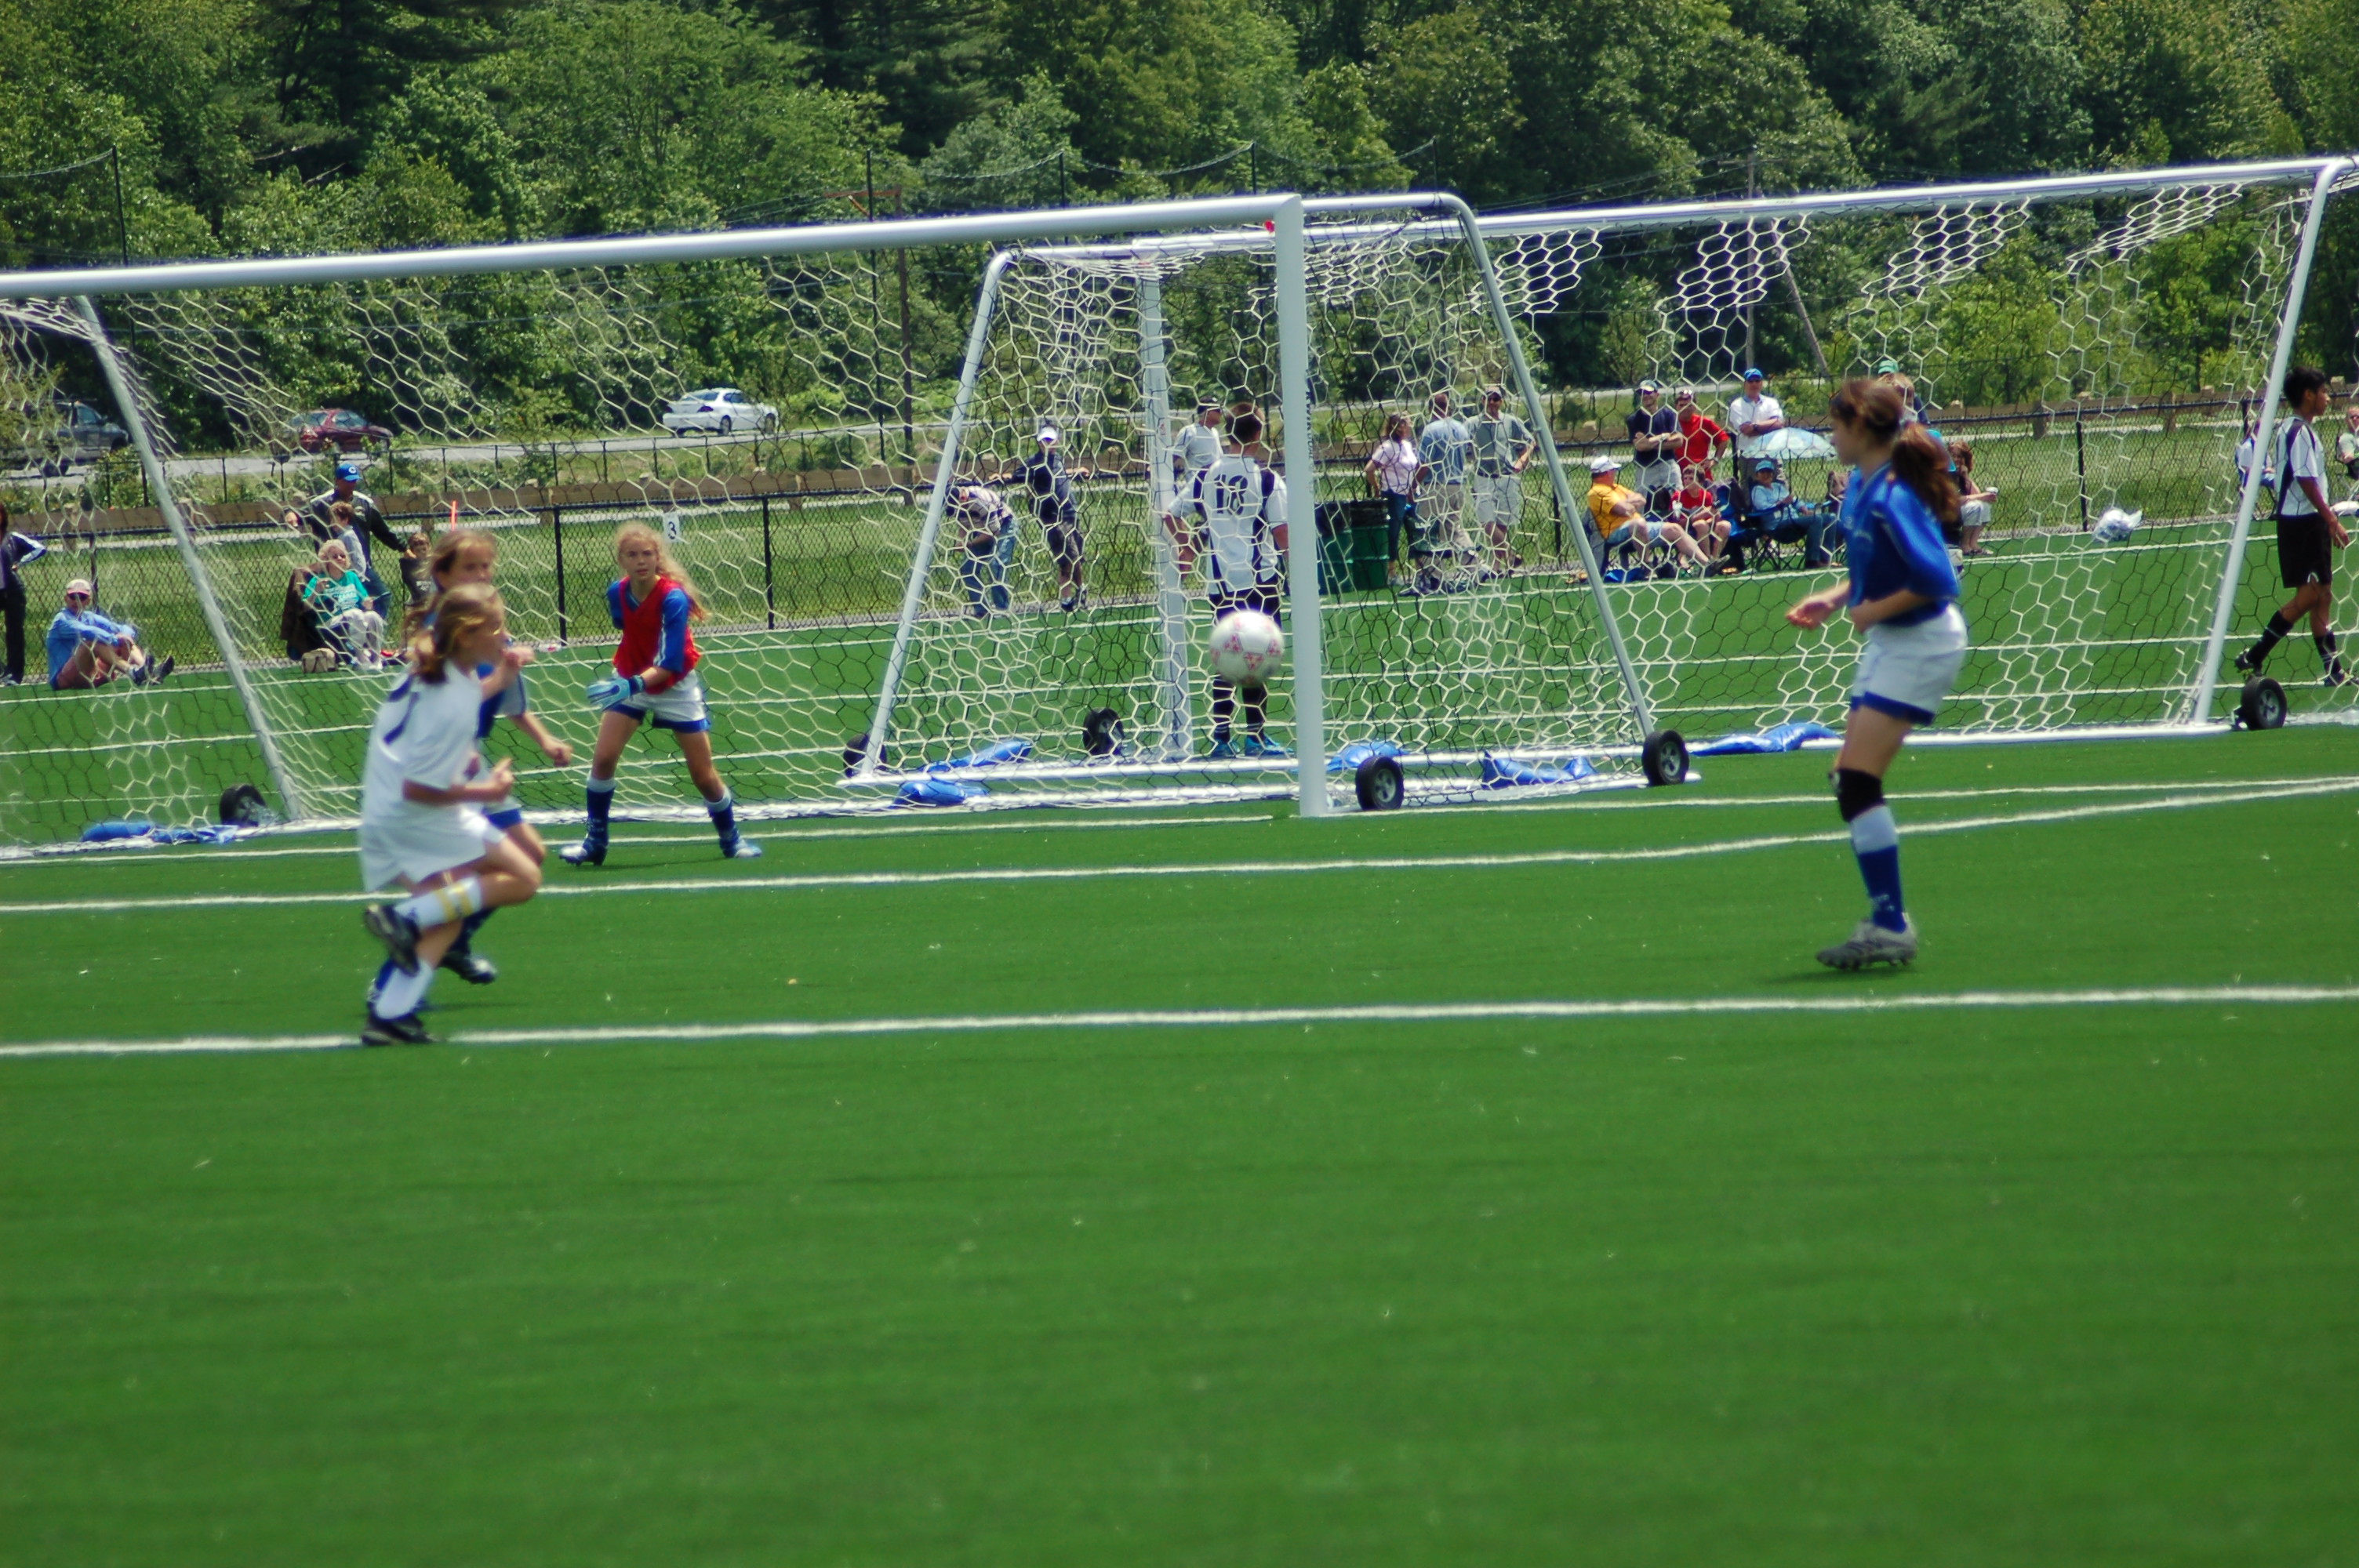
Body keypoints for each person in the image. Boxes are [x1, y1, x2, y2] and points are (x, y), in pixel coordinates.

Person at [1783, 377, 1968, 971]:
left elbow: (1939, 580)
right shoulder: (1863, 484)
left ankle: (1890, 926)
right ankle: (1887, 922)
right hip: (1894, 641)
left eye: (1834, 425)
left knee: (1858, 782)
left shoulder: (1891, 493)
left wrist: (1870, 611)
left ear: (1861, 427)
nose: (1830, 436)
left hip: (1922, 641)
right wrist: (1838, 597)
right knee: (1849, 780)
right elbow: (1875, 562)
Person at [356, 583, 545, 1045]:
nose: (504, 635)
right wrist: (487, 789)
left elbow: (460, 702)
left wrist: (502, 676)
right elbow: (418, 786)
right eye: (495, 628)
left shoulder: (438, 672)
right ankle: (405, 917)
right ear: (465, 635)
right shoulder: (450, 699)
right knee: (524, 876)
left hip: (386, 811)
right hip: (414, 815)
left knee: (450, 915)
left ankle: (390, 1016)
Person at [403, 527, 575, 985]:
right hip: (442, 764)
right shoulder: (437, 633)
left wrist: (546, 741)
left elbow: (511, 701)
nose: (481, 574)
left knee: (529, 855)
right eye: (470, 568)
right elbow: (448, 701)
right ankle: (414, 945)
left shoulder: (489, 622)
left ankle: (448, 941)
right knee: (482, 869)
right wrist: (503, 670)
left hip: (471, 759)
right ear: (443, 575)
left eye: (486, 566)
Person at [560, 521, 761, 867]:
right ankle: (595, 841)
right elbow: (624, 626)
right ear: (621, 560)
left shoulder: (673, 598)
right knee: (603, 759)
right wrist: (629, 680)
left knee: (703, 775)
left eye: (647, 554)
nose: (641, 561)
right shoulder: (617, 593)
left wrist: (630, 684)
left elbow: (669, 663)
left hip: (674, 685)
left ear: (658, 557)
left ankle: (732, 838)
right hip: (631, 678)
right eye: (632, 555)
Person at [2234, 366, 2350, 687]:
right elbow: (2305, 479)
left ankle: (2334, 671)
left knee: (2322, 593)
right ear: (2308, 395)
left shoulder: (2298, 429)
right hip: (2302, 522)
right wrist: (2330, 519)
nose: (2328, 398)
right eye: (2323, 392)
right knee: (2311, 595)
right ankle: (2255, 655)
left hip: (2305, 520)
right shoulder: (2298, 432)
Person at [1185, 407, 1289, 759]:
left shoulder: (1206, 475)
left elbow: (1173, 510)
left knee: (1227, 656)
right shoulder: (1267, 479)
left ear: (1229, 433)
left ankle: (1222, 737)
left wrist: (1185, 545)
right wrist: (1299, 575)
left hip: (1221, 585)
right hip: (1260, 582)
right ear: (1259, 435)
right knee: (1257, 656)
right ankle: (1255, 737)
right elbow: (1282, 533)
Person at [303, 464, 402, 620]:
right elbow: (302, 513)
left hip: (360, 570)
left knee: (382, 596)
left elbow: (382, 532)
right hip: (334, 568)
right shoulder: (322, 503)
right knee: (344, 604)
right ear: (338, 481)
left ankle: (373, 627)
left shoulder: (362, 507)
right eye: (348, 481)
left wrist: (403, 548)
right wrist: (291, 514)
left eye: (354, 481)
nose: (352, 485)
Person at [1011, 425, 1092, 612]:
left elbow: (1060, 476)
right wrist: (1001, 476)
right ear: (1039, 443)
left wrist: (1077, 471)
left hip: (1070, 513)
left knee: (1077, 558)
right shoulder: (1034, 462)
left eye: (1051, 440)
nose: (1048, 444)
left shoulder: (1058, 459)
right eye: (1045, 441)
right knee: (1067, 558)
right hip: (1054, 519)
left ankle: (1080, 590)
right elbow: (1017, 476)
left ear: (1057, 441)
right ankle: (1066, 599)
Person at [45, 579, 172, 690]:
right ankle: (132, 672)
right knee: (92, 642)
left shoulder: (89, 617)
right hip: (64, 679)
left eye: (82, 597)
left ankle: (146, 672)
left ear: (88, 601)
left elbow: (123, 628)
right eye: (73, 597)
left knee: (124, 640)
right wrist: (115, 640)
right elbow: (89, 632)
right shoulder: (61, 620)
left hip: (90, 676)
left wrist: (125, 637)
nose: (77, 601)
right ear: (66, 599)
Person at [1587, 455, 1707, 570]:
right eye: (1613, 471)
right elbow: (1624, 510)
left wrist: (1625, 503)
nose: (1615, 473)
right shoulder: (1597, 492)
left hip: (1639, 527)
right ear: (1607, 473)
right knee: (1638, 524)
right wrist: (1629, 504)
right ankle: (1647, 566)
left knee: (1674, 529)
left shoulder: (1616, 487)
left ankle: (1706, 564)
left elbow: (1642, 500)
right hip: (1616, 532)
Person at [1467, 386, 1536, 575]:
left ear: (1502, 401)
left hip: (1506, 477)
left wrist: (1521, 462)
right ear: (1482, 401)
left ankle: (1497, 567)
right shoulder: (1472, 423)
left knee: (1502, 523)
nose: (1492, 402)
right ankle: (1510, 554)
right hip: (1483, 478)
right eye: (1488, 398)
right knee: (1487, 522)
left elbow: (1530, 441)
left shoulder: (1511, 421)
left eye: (1496, 399)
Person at [301, 539, 386, 668]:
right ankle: (359, 657)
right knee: (355, 614)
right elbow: (306, 607)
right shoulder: (318, 580)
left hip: (355, 620)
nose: (340, 558)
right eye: (335, 556)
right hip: (331, 621)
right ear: (326, 560)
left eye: (342, 555)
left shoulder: (351, 576)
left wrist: (367, 603)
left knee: (373, 616)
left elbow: (364, 599)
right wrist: (316, 592)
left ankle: (376, 658)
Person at [1749, 457, 1837, 568]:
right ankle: (1812, 560)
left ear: (1773, 474)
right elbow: (1762, 508)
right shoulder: (1757, 491)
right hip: (1778, 526)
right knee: (1816, 520)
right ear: (1757, 475)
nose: (1766, 475)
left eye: (1769, 472)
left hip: (1793, 521)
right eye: (1762, 472)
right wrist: (1781, 503)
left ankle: (1826, 558)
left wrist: (1803, 509)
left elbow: (1794, 500)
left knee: (1831, 517)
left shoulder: (1778, 487)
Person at [1365, 412, 1426, 572]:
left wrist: (1413, 487)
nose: (1408, 428)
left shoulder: (1407, 445)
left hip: (1411, 494)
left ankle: (1420, 569)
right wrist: (1377, 489)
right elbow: (1369, 469)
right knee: (1394, 533)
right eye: (1405, 424)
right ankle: (1391, 570)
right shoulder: (1387, 447)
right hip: (1394, 495)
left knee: (1416, 531)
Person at [951, 481, 1017, 616]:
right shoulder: (957, 505)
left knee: (996, 564)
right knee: (967, 569)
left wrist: (970, 543)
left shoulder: (981, 501)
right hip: (982, 530)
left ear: (963, 498)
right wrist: (961, 541)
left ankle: (1002, 609)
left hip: (1004, 526)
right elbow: (963, 526)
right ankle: (982, 610)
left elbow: (994, 531)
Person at [1419, 390, 1473, 554]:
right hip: (1456, 486)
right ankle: (1474, 564)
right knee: (1455, 530)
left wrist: (1413, 485)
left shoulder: (1430, 430)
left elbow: (1424, 464)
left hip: (1436, 487)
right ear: (1449, 407)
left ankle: (1432, 568)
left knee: (1429, 532)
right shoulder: (1461, 429)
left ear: (1430, 409)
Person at [0, 502, 45, 684]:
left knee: (15, 633)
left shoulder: (11, 538)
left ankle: (14, 675)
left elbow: (39, 548)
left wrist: (19, 562)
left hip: (13, 592)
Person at [1626, 380, 1680, 509]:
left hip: (1668, 466)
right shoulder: (1634, 419)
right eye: (1642, 393)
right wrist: (1664, 437)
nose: (1645, 396)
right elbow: (1640, 446)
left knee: (1676, 502)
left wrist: (1649, 442)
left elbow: (1679, 440)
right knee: (1644, 506)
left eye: (1649, 392)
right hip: (1646, 469)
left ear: (1657, 395)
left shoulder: (1669, 414)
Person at [1671, 462, 1735, 570]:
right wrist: (1700, 516)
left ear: (1700, 482)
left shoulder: (1707, 495)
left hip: (1706, 527)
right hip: (1687, 529)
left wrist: (1714, 515)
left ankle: (1714, 559)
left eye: (1691, 478)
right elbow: (1678, 522)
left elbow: (1715, 519)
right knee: (1701, 524)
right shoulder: (1679, 496)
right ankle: (1707, 562)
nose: (1687, 481)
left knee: (1725, 525)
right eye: (1685, 478)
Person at [1727, 367, 1786, 474]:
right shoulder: (1737, 405)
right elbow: (1746, 430)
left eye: (1757, 380)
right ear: (1745, 384)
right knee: (1751, 484)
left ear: (1762, 383)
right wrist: (1769, 428)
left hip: (1772, 454)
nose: (1754, 384)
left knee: (1779, 483)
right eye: (1750, 381)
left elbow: (1779, 425)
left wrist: (1754, 426)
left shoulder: (1771, 402)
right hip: (1750, 455)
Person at [1672, 387, 1731, 485]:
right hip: (1677, 474)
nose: (1685, 408)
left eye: (1689, 405)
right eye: (1681, 405)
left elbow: (1723, 439)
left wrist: (1715, 460)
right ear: (1676, 406)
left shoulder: (1704, 423)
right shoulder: (1671, 423)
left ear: (1695, 406)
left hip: (1700, 474)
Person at [1950, 439, 1997, 556]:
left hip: (1959, 510)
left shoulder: (1961, 474)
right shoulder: (1946, 474)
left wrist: (1966, 477)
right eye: (1953, 456)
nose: (1956, 459)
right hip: (1945, 512)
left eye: (1959, 456)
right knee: (1974, 507)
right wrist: (1982, 496)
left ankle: (1973, 544)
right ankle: (1964, 544)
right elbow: (1955, 500)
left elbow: (1977, 494)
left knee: (1984, 505)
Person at [1172, 400, 1225, 491]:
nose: (1221, 413)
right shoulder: (1189, 432)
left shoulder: (1215, 432)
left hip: (1215, 489)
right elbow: (1176, 459)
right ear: (1208, 413)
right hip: (1197, 490)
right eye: (1218, 410)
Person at [399, 532, 434, 606]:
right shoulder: (411, 566)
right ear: (413, 552)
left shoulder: (434, 563)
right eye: (418, 551)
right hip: (417, 598)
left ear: (429, 548)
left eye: (424, 549)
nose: (422, 552)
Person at [2335, 401, 2359, 499]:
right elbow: (2348, 458)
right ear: (2347, 420)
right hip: (2356, 467)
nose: (2355, 419)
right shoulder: (2346, 438)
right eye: (2351, 417)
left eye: (2357, 417)